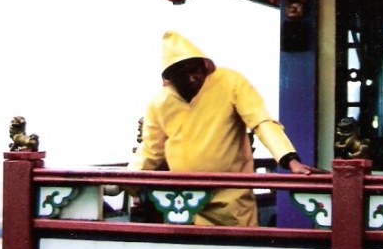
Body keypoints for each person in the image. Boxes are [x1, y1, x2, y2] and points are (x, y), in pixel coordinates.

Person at [128, 31, 310, 226]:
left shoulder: (230, 82)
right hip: (185, 206)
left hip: (232, 204)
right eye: (183, 74)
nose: (191, 78)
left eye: (194, 70)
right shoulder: (160, 104)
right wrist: (126, 181)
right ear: (170, 78)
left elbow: (261, 121)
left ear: (205, 65)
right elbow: (151, 151)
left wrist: (289, 160)